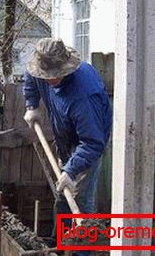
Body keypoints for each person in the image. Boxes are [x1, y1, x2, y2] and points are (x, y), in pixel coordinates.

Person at [23, 38, 112, 256]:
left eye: (55, 75)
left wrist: (71, 171)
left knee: (80, 200)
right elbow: (30, 76)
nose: (50, 80)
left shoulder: (84, 95)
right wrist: (31, 105)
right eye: (47, 75)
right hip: (65, 136)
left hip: (89, 144)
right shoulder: (42, 68)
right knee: (62, 195)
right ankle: (60, 245)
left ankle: (82, 253)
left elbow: (92, 143)